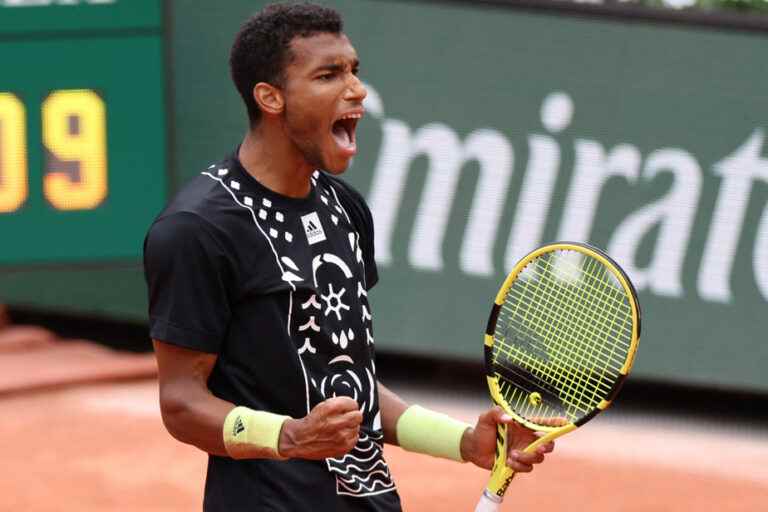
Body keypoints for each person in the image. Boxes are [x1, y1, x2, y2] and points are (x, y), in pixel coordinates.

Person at [143, 3, 554, 511]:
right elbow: (181, 404)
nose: (356, 89)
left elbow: (349, 379)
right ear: (271, 97)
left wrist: (464, 442)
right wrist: (290, 436)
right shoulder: (197, 230)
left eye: (354, 70)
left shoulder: (345, 208)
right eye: (328, 75)